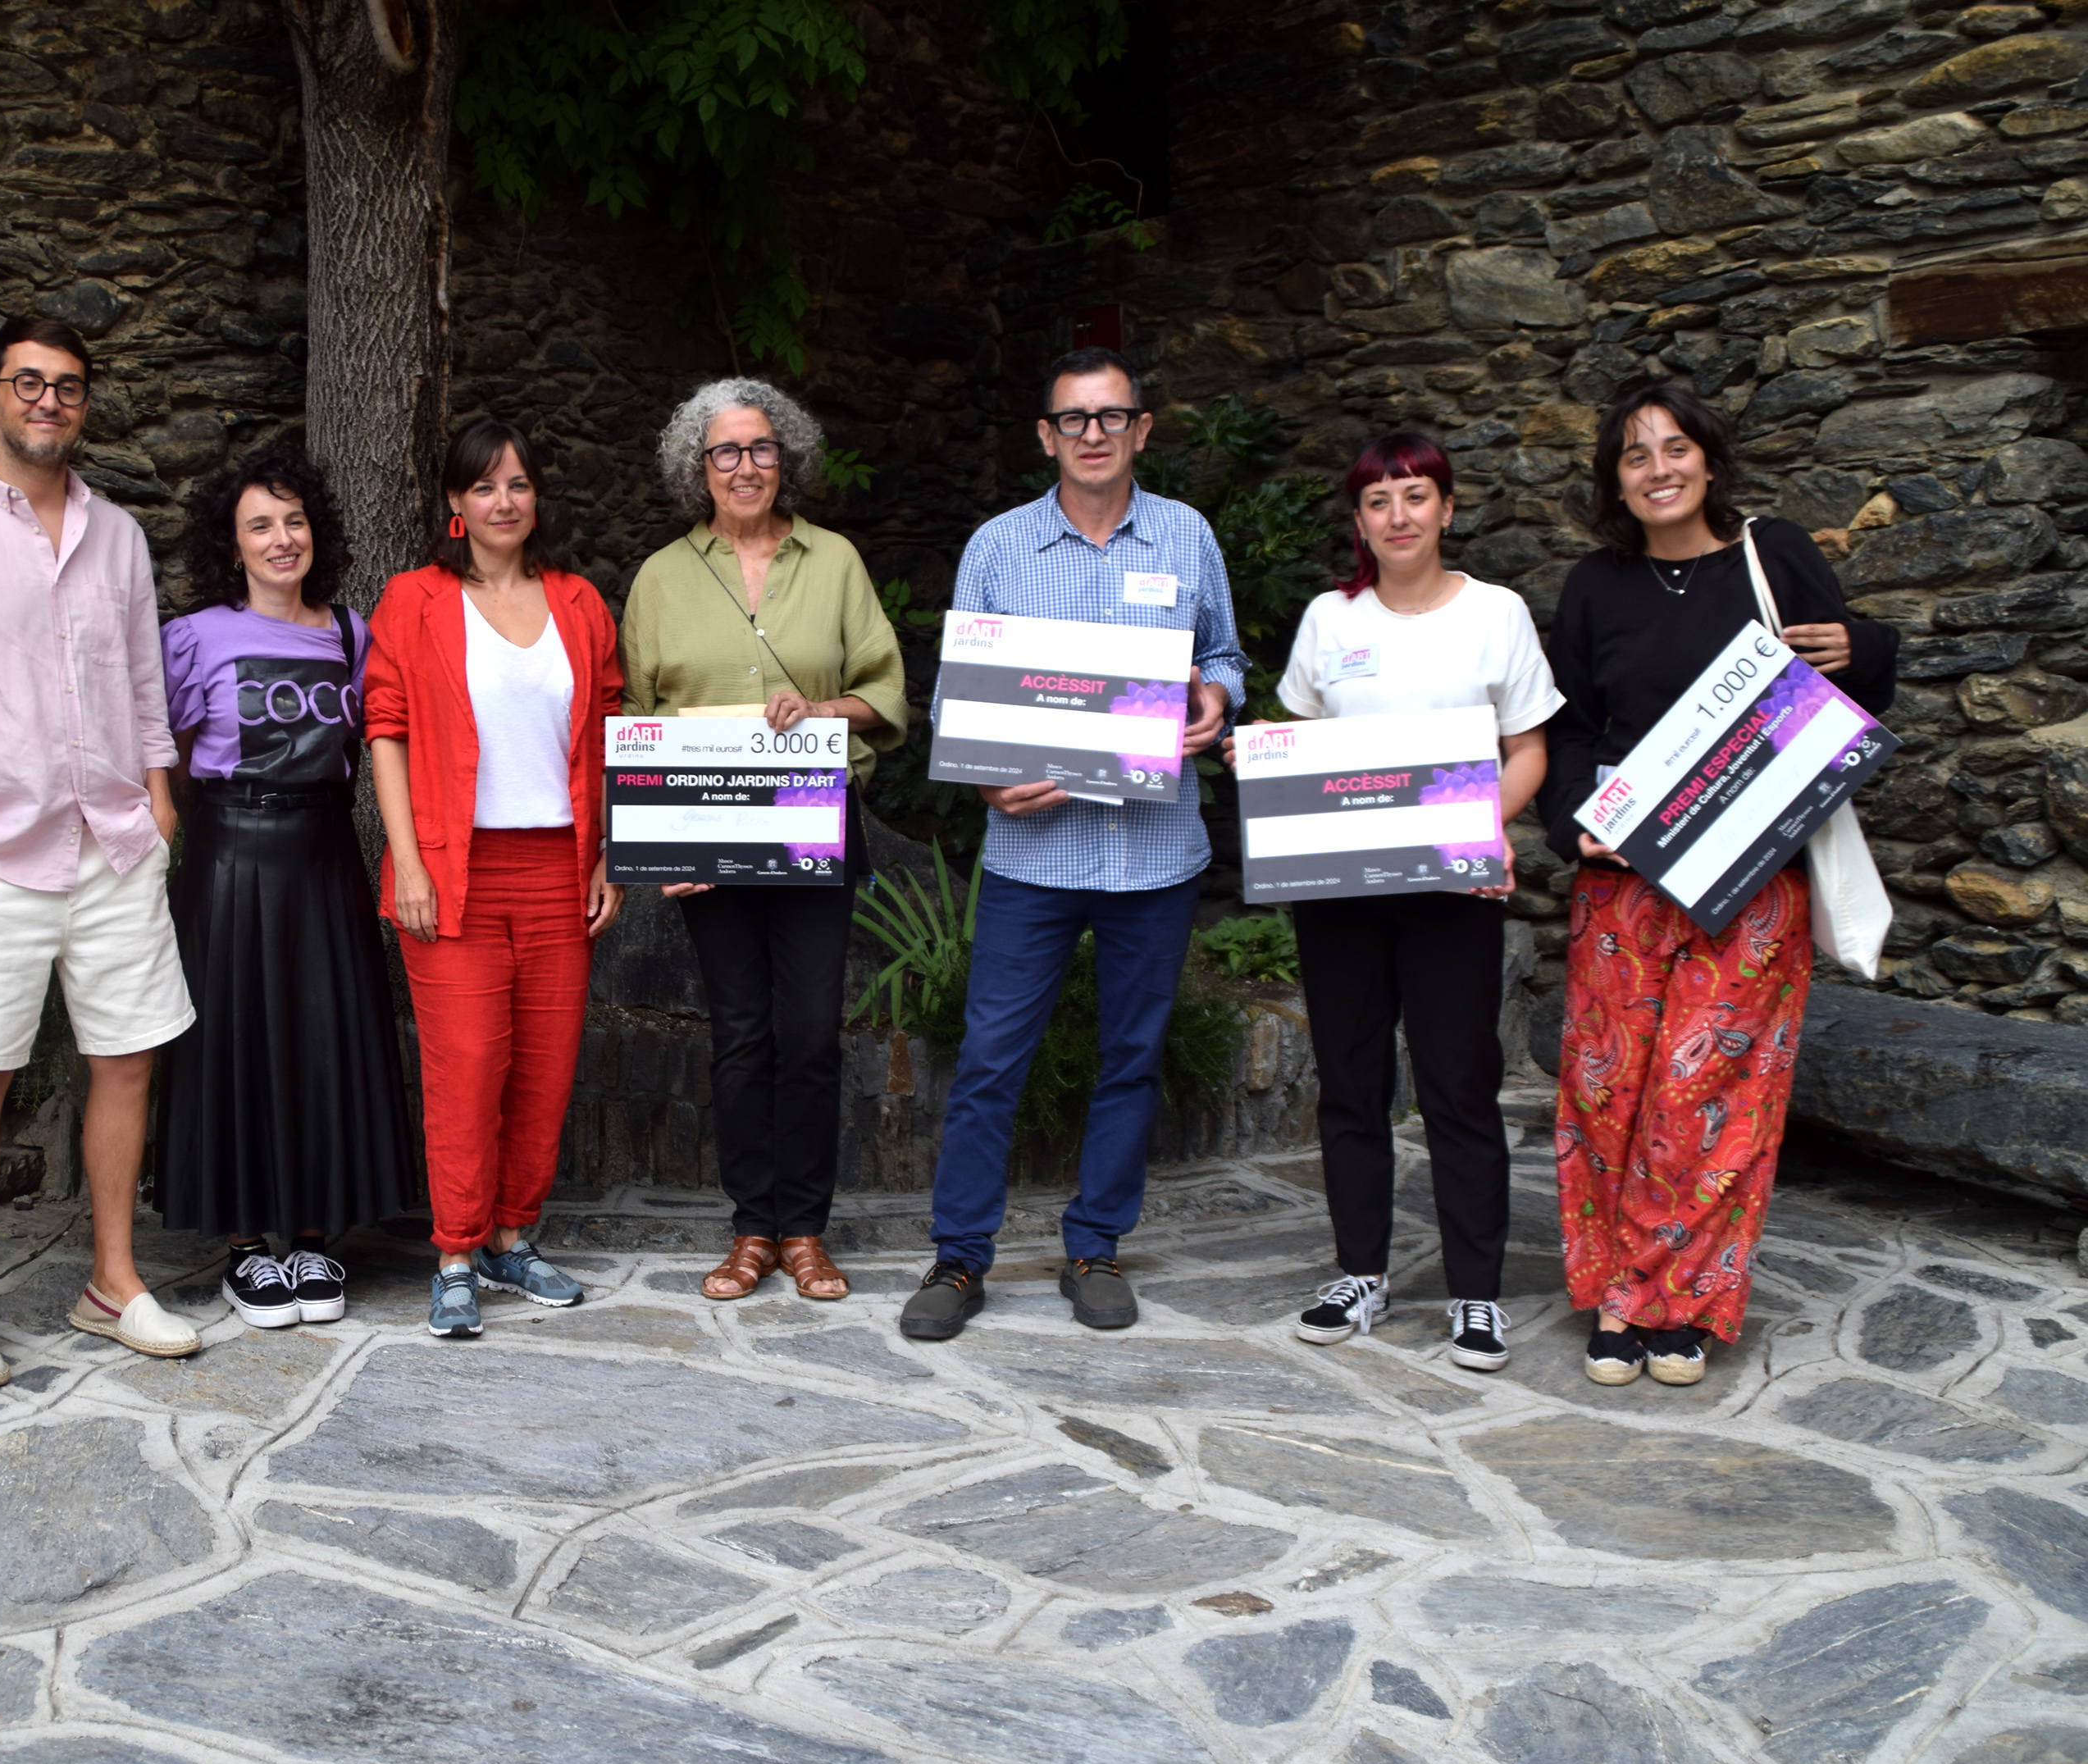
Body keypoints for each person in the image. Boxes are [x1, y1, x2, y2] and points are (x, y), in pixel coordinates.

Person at [1544, 380, 1895, 1387]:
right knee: (1609, 1093)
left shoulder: (1773, 554)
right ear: (1614, 480)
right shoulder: (1594, 586)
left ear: (1708, 459)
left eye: (1675, 448)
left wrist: (1864, 647)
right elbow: (1570, 729)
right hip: (1625, 882)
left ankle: (1678, 1305)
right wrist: (1577, 824)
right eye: (1635, 455)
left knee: (1711, 1098)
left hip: (1754, 879)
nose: (1659, 469)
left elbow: (1847, 689)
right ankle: (1618, 1293)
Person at [0, 314, 202, 1389]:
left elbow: (144, 686)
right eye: (27, 382)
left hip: (114, 840)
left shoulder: (117, 535)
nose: (47, 401)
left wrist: (158, 802)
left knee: (127, 1058)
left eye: (65, 386)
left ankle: (112, 1280)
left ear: (83, 404)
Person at [899, 347, 1248, 1341]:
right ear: (1046, 437)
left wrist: (1214, 697)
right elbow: (957, 699)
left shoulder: (1186, 536)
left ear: (1142, 429)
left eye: (1112, 416)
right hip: (1033, 857)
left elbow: (1223, 654)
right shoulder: (1000, 548)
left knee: (1132, 1058)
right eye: (1074, 419)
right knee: (990, 1061)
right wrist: (983, 778)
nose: (1094, 434)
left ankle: (1095, 1246)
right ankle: (959, 1258)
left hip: (1155, 852)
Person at [1251, 431, 1561, 1371]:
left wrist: (1478, 825)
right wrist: (1259, 756)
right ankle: (1361, 1274)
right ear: (1359, 520)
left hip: (1453, 887)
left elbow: (1529, 752)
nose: (1398, 515)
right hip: (1341, 894)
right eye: (1378, 500)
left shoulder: (1496, 613)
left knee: (1458, 1084)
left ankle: (1475, 1292)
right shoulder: (1329, 618)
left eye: (1415, 495)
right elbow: (1302, 746)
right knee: (1350, 1082)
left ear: (1447, 508)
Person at [621, 379, 908, 1303]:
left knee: (812, 1033)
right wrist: (664, 847)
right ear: (696, 467)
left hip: (812, 822)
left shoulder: (835, 562)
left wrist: (821, 709)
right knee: (740, 1034)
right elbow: (635, 719)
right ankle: (751, 1229)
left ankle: (805, 1231)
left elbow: (886, 694)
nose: (744, 467)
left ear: (786, 458)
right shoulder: (662, 578)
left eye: (760, 448)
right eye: (725, 452)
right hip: (708, 843)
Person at [365, 417, 623, 1339]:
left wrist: (609, 854)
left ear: (536, 496)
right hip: (453, 871)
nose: (502, 501)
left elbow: (610, 733)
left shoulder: (580, 603)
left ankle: (513, 1238)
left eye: (517, 484)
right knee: (466, 1068)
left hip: (559, 868)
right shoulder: (415, 600)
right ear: (455, 503)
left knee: (544, 1070)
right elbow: (385, 728)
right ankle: (455, 1254)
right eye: (483, 486)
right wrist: (408, 861)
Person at [157, 445, 421, 1328]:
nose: (281, 539)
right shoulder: (194, 638)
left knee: (321, 1040)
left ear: (316, 533)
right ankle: (245, 1248)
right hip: (230, 859)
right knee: (234, 1042)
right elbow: (170, 763)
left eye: (294, 521)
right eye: (260, 525)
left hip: (325, 859)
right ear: (232, 544)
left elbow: (382, 744)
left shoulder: (351, 634)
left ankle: (311, 1237)